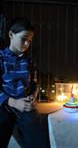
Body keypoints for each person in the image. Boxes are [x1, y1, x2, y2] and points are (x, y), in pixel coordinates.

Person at [0, 17, 45, 148]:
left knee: (38, 141)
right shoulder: (1, 58)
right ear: (10, 34)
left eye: (30, 41)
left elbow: (35, 84)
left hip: (25, 106)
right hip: (3, 106)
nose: (27, 44)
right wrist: (12, 102)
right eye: (23, 38)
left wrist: (33, 96)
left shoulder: (29, 61)